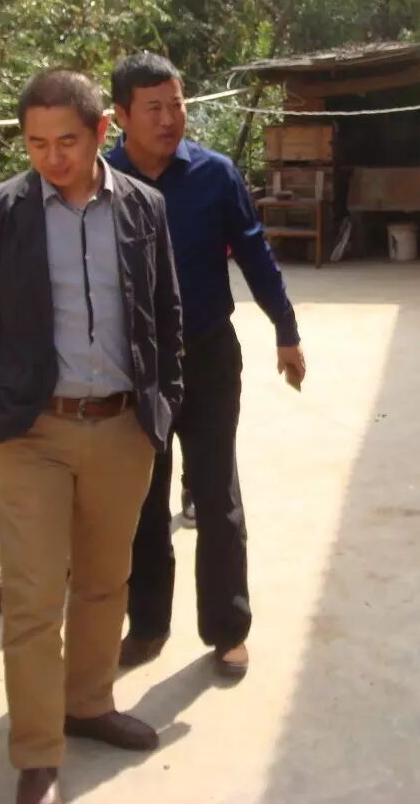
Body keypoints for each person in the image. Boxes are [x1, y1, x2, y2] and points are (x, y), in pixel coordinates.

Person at [0, 69, 183, 804]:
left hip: (121, 427)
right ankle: (37, 751)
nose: (52, 158)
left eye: (67, 142)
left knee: (106, 581)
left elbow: (166, 311)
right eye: (36, 143)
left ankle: (88, 705)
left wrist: (163, 403)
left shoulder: (144, 207)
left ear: (101, 132)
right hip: (31, 433)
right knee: (33, 596)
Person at [107, 52, 305, 677]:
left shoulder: (215, 174)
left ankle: (227, 628)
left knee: (217, 494)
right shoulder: (101, 180)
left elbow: (253, 252)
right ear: (121, 116)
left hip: (210, 354)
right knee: (143, 499)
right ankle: (147, 624)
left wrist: (286, 329)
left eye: (177, 105)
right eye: (154, 109)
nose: (170, 119)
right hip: (134, 366)